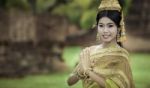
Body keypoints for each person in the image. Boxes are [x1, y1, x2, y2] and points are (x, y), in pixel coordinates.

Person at [67, 0, 135, 88]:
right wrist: (81, 71)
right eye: (101, 25)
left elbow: (113, 86)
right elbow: (69, 82)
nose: (105, 30)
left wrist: (88, 72)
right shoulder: (89, 51)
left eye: (110, 26)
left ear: (118, 28)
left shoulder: (121, 56)